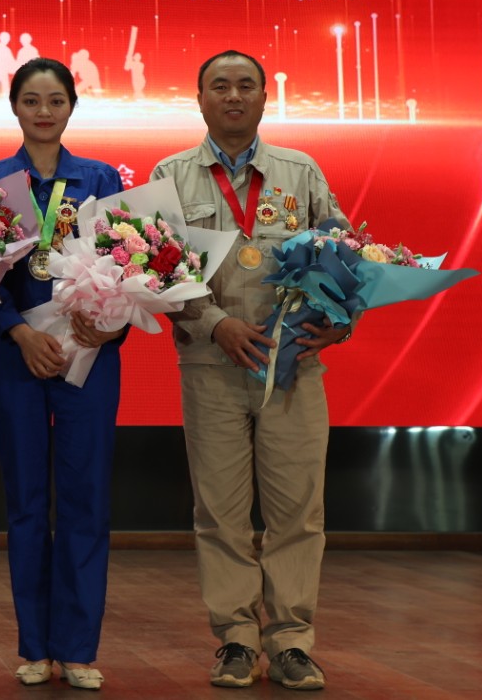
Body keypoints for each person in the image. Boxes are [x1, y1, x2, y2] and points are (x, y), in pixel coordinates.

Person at [150, 50, 350, 692]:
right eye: (220, 86)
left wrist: (340, 320)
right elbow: (156, 271)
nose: (233, 96)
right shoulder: (170, 176)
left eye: (245, 85)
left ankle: (291, 642)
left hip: (291, 369)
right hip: (210, 365)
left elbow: (347, 259)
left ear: (264, 97)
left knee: (298, 512)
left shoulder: (300, 171)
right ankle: (236, 639)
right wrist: (215, 323)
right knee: (220, 513)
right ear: (200, 99)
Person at [0, 59, 125, 691]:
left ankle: (79, 648)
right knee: (27, 503)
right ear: (14, 106)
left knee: (86, 499)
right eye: (31, 100)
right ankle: (35, 646)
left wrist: (111, 324)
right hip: (15, 354)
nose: (43, 111)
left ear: (71, 108)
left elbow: (129, 261)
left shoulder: (100, 178)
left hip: (88, 353)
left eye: (55, 100)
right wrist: (17, 329)